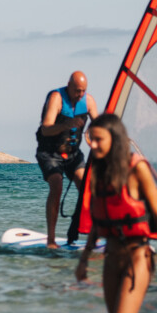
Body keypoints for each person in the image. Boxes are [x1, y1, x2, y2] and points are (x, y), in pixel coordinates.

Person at [75, 113, 157, 313]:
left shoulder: (136, 168)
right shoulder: (99, 170)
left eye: (98, 140)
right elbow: (98, 222)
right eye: (90, 140)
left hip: (137, 258)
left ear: (114, 139)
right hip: (111, 258)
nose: (93, 145)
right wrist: (83, 260)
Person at [36, 71, 99, 248]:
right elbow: (46, 129)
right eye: (77, 90)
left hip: (73, 154)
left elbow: (100, 125)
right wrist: (66, 125)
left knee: (87, 185)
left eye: (83, 91)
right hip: (49, 153)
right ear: (69, 85)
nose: (80, 95)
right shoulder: (57, 98)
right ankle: (51, 240)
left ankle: (92, 234)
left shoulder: (88, 101)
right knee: (56, 184)